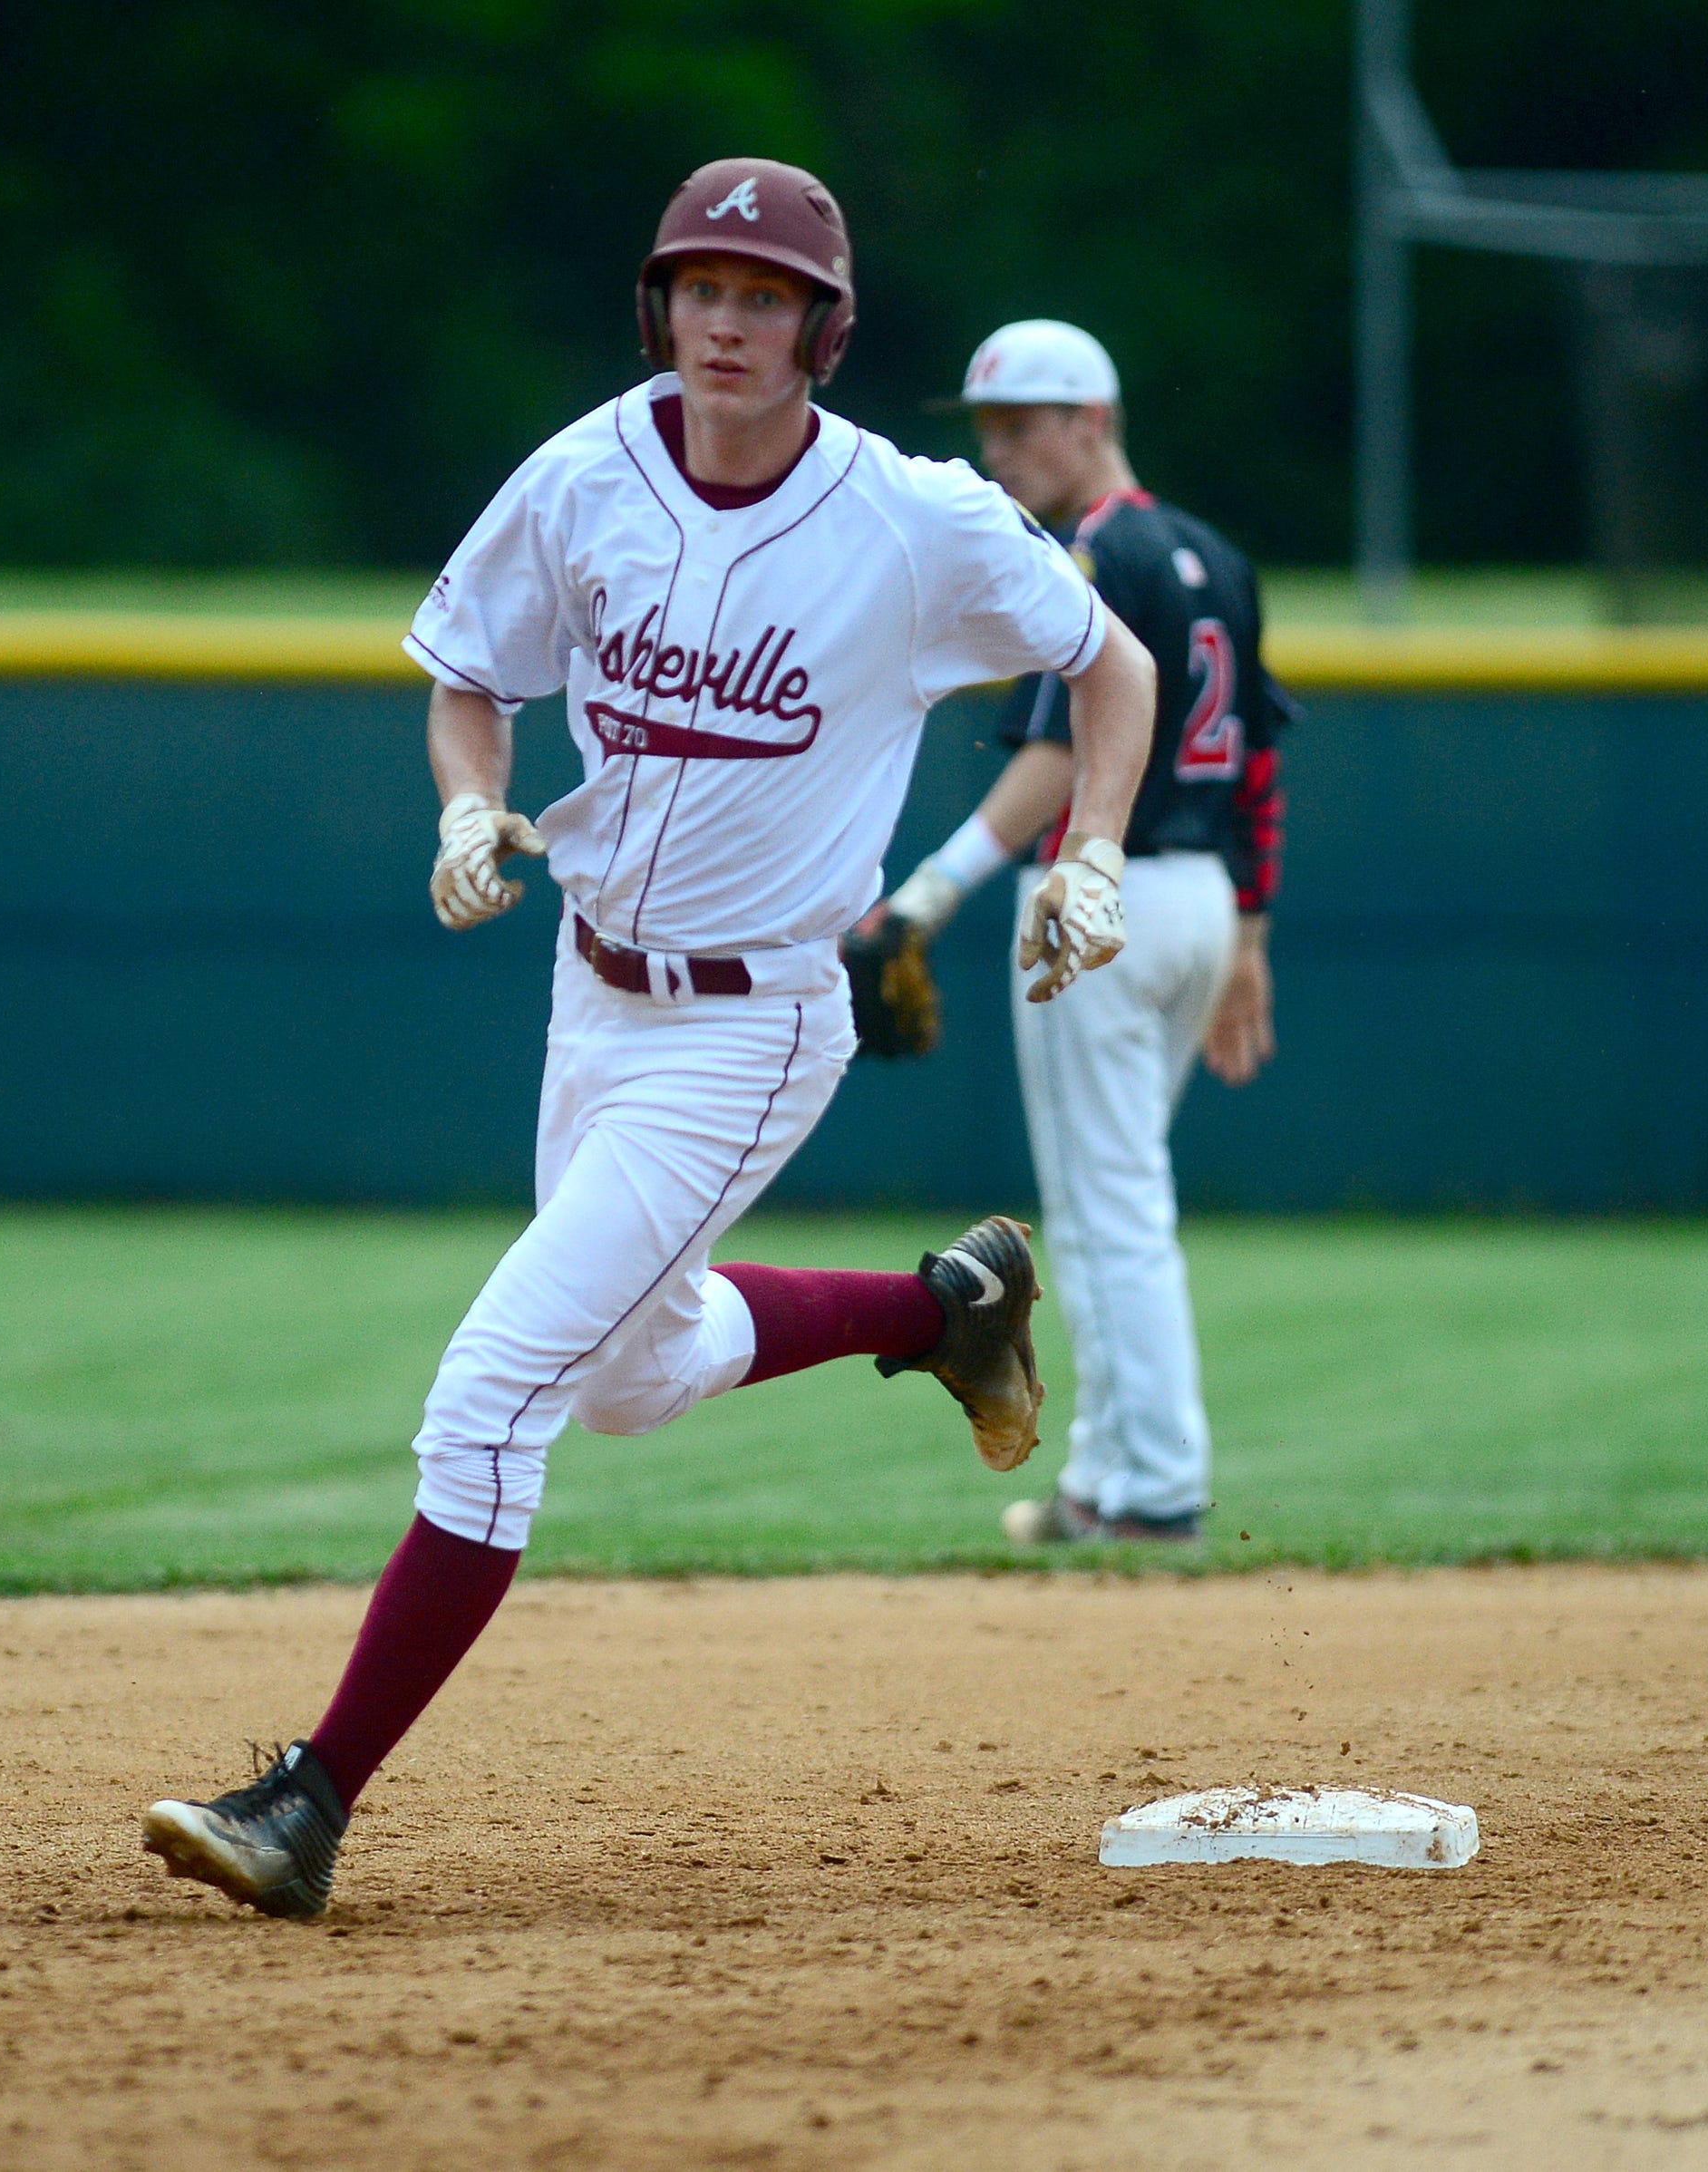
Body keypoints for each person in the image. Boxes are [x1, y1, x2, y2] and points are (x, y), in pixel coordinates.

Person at [138, 161, 1155, 1922]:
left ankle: (309, 1804)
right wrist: (469, 809)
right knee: (633, 1368)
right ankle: (946, 1306)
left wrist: (1100, 850)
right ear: (657, 305)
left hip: (755, 1021)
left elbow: (1112, 663)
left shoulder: (911, 522)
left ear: (823, 330)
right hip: (590, 991)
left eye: (765, 296)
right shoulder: (587, 471)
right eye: (702, 287)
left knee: (494, 1398)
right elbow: (470, 672)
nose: (728, 322)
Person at [874, 319, 1292, 1547]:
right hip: (1201, 899)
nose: (998, 450)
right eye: (989, 428)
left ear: (1094, 421)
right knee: (1118, 1197)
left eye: (1023, 425)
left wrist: (926, 896)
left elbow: (1061, 759)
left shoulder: (1092, 558)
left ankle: (1152, 1486)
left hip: (1100, 903)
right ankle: (1109, 1478)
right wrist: (1250, 935)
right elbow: (1259, 759)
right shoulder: (1212, 552)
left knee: (1109, 1207)